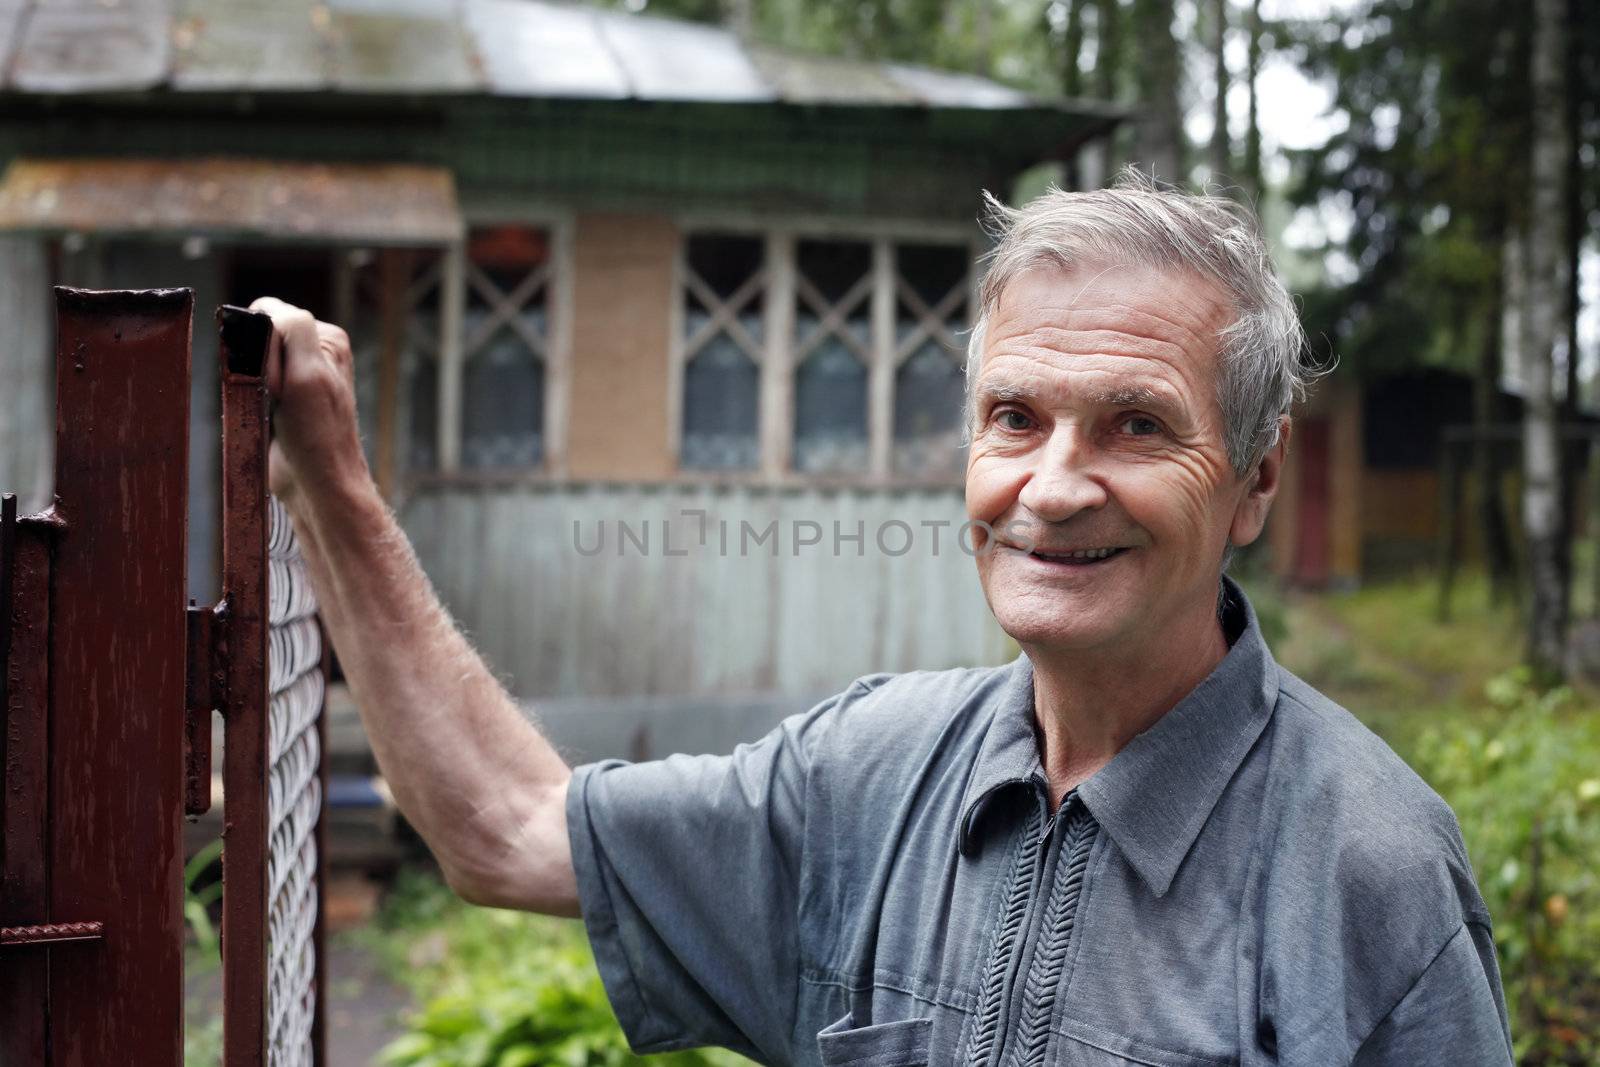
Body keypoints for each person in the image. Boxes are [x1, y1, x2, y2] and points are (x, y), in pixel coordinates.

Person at [255, 172, 1513, 1067]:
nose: (1054, 484)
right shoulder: (868, 771)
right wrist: (328, 486)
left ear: (1256, 480)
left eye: (1137, 424)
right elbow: (507, 829)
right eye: (1015, 418)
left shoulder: (1370, 866)